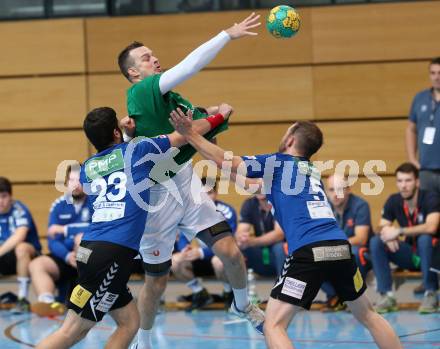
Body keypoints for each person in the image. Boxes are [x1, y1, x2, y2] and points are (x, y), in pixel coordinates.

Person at [170, 111, 402, 349]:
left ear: (291, 139)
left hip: (309, 252)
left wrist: (190, 134)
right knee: (369, 315)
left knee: (273, 325)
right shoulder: (308, 170)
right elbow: (245, 182)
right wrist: (207, 147)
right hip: (340, 249)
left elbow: (231, 162)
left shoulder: (278, 163)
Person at [117, 13, 264, 348]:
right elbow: (189, 67)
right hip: (154, 197)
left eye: (153, 54)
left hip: (184, 180)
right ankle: (146, 340)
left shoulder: (174, 99)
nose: (154, 58)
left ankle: (242, 305)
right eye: (145, 57)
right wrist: (226, 35)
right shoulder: (141, 93)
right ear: (133, 73)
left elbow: (190, 131)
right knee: (157, 282)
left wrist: (214, 116)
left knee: (231, 252)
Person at [35, 106, 224, 349]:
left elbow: (116, 164)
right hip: (111, 255)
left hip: (90, 250)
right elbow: (185, 133)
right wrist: (220, 116)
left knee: (130, 322)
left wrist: (125, 138)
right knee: (72, 331)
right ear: (116, 131)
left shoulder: (87, 168)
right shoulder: (138, 150)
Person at [370, 162, 440, 314]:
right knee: (377, 241)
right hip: (411, 256)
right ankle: (386, 296)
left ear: (417, 182)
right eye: (400, 181)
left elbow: (431, 227)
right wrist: (387, 233)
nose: (403, 185)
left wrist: (399, 231)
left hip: (433, 255)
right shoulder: (394, 200)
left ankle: (431, 293)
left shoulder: (431, 198)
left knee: (425, 238)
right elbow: (380, 227)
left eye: (408, 180)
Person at [29, 165, 91, 317]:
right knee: (37, 264)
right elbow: (52, 239)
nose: (75, 184)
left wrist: (66, 230)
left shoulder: (96, 202)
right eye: (71, 180)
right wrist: (66, 256)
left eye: (79, 180)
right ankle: (48, 302)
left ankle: (87, 297)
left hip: (86, 259)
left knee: (81, 238)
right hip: (66, 258)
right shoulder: (58, 205)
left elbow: (97, 227)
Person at [172, 177, 237, 311]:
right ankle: (199, 292)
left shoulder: (226, 211)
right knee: (175, 261)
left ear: (216, 193)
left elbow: (228, 244)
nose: (206, 197)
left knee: (218, 261)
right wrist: (186, 248)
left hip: (217, 257)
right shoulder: (190, 212)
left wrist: (201, 253)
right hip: (197, 257)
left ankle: (228, 292)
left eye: (210, 193)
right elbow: (183, 234)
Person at [320, 174, 372, 311]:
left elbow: (361, 238)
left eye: (340, 189)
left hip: (361, 254)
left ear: (348, 190)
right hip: (334, 251)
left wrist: (333, 246)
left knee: (353, 251)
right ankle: (336, 296)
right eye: (331, 190)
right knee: (311, 257)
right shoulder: (322, 207)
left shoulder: (360, 205)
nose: (335, 194)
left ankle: (354, 297)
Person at [0, 177, 42, 313]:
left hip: (29, 256)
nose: (1, 201)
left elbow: (20, 235)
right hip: (5, 258)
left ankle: (22, 299)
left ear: (10, 196)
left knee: (21, 247)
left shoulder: (19, 209)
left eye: (4, 196)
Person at [406, 57, 440, 195]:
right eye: (433, 73)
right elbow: (411, 129)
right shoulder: (420, 98)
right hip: (425, 170)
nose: (436, 77)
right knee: (428, 213)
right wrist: (412, 159)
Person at [236, 194, 285, 277]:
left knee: (279, 248)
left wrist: (252, 241)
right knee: (239, 246)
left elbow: (279, 234)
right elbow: (241, 231)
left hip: (281, 251)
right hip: (261, 250)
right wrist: (243, 238)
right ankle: (239, 288)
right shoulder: (250, 203)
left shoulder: (280, 202)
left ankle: (283, 282)